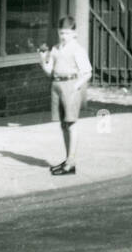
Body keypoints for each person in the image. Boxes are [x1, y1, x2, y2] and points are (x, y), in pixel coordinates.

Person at [39, 16, 92, 175]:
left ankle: (71, 162)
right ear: (58, 32)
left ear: (74, 33)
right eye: (62, 33)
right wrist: (42, 60)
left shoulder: (77, 49)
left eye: (68, 33)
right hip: (56, 85)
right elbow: (49, 71)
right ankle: (68, 159)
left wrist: (75, 87)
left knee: (71, 124)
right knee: (63, 124)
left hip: (71, 85)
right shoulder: (55, 49)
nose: (64, 36)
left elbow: (87, 73)